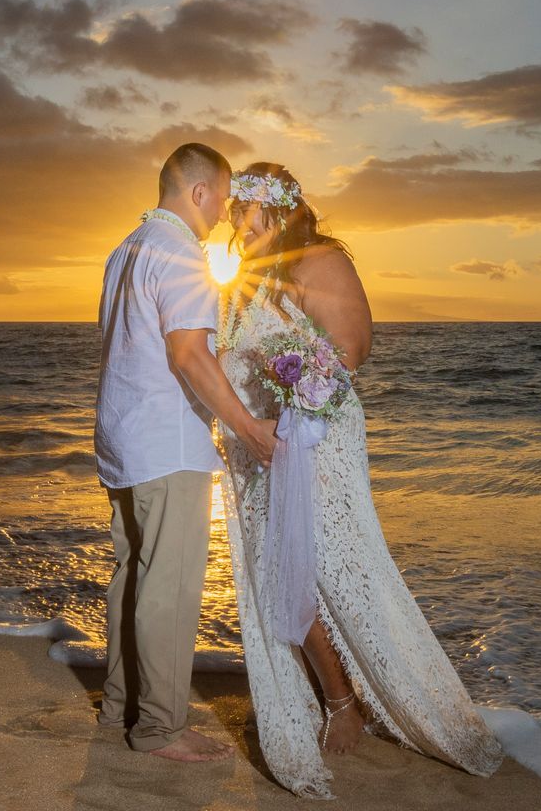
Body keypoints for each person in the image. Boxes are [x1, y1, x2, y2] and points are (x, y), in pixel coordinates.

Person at [213, 161, 504, 799]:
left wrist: (299, 397)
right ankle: (337, 694)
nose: (236, 219)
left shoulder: (320, 261)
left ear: (282, 207)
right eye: (234, 209)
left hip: (314, 440)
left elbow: (352, 350)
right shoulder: (245, 278)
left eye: (246, 207)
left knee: (334, 564)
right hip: (255, 446)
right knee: (277, 567)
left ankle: (365, 700)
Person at [94, 142, 279, 763]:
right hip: (166, 442)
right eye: (222, 197)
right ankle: (160, 728)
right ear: (198, 192)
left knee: (131, 578)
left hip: (122, 437)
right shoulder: (178, 253)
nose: (224, 211)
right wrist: (252, 429)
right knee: (167, 587)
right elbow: (189, 355)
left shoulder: (125, 251)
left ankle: (121, 704)